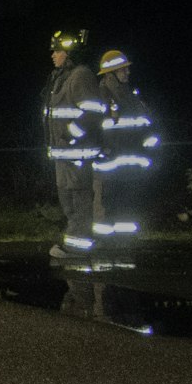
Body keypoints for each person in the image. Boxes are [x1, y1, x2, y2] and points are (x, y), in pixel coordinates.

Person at [42, 29, 107, 260]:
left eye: (58, 50)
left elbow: (93, 111)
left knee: (78, 199)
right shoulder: (62, 77)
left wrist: (70, 135)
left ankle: (78, 246)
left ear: (70, 54)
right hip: (64, 153)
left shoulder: (80, 76)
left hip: (76, 152)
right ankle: (76, 241)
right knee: (68, 199)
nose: (53, 55)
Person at [92, 48, 160, 247]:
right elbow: (94, 128)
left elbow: (146, 125)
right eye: (123, 70)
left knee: (127, 206)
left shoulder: (132, 96)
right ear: (111, 73)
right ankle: (104, 245)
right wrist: (101, 151)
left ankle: (126, 244)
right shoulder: (100, 97)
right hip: (108, 166)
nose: (127, 73)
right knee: (105, 205)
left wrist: (149, 150)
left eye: (127, 69)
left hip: (131, 164)